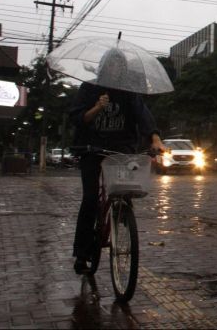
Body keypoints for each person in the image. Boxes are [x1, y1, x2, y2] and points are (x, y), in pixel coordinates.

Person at [68, 81, 166, 274]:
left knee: (126, 188)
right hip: (90, 148)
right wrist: (97, 107)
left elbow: (142, 114)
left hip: (120, 148)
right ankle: (82, 253)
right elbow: (78, 118)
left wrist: (155, 138)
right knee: (90, 199)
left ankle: (121, 214)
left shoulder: (128, 90)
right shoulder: (89, 88)